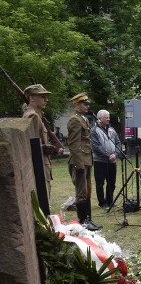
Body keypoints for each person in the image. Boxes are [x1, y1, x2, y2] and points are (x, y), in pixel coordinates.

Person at [22, 84, 65, 197]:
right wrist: (49, 148)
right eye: (42, 96)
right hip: (40, 166)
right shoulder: (33, 116)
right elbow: (34, 147)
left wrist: (53, 149)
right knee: (43, 201)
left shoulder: (37, 116)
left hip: (43, 164)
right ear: (31, 98)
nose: (46, 99)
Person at [67, 93, 102, 231]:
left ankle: (88, 219)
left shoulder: (84, 119)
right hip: (80, 161)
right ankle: (83, 221)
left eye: (87, 104)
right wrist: (79, 164)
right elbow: (74, 144)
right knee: (81, 191)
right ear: (76, 105)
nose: (87, 106)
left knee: (88, 190)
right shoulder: (74, 120)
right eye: (84, 104)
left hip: (87, 159)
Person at [90, 109, 121, 209]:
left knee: (111, 183)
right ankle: (102, 203)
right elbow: (95, 146)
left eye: (109, 117)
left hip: (113, 161)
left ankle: (110, 201)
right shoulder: (94, 131)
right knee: (100, 183)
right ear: (99, 119)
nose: (108, 119)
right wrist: (108, 156)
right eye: (106, 117)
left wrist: (115, 154)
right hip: (100, 161)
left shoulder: (112, 130)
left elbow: (118, 143)